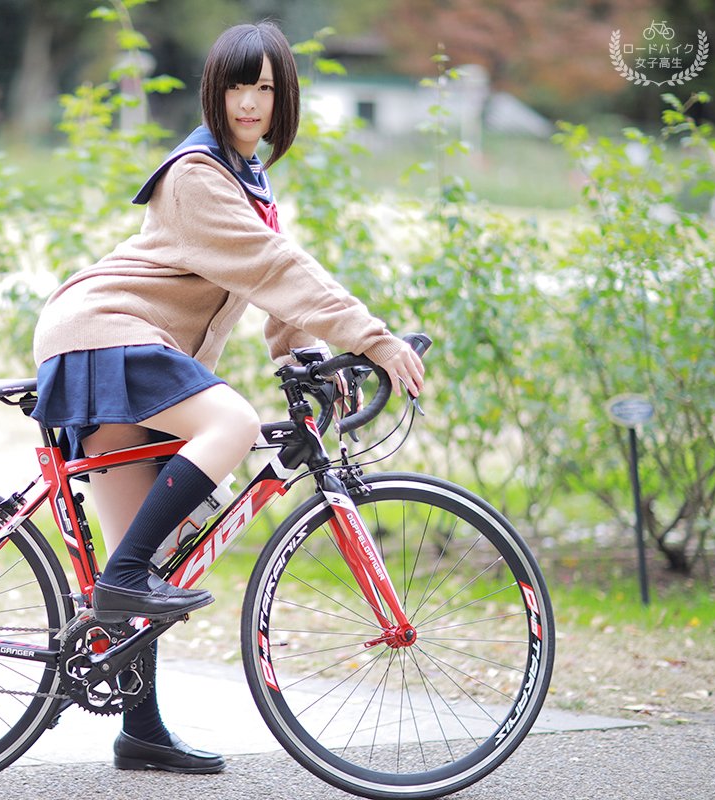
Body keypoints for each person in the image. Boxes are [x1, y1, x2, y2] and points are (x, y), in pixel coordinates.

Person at [29, 22, 425, 775]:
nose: (251, 102)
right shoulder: (197, 176)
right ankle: (122, 579)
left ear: (285, 100)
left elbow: (273, 292)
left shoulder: (247, 182)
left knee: (155, 563)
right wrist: (376, 338)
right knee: (233, 423)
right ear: (216, 91)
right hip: (102, 333)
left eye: (267, 88)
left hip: (120, 351)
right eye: (239, 86)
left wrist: (310, 357)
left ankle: (138, 731)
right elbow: (277, 265)